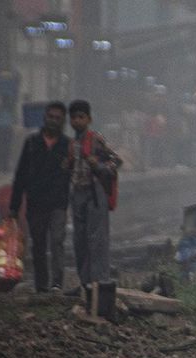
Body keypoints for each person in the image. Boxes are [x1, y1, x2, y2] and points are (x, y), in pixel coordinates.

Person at [9, 101, 71, 293]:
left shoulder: (67, 146)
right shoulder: (32, 143)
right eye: (50, 117)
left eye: (57, 118)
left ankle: (57, 282)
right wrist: (14, 205)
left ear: (63, 121)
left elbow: (74, 175)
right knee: (38, 244)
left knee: (57, 241)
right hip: (36, 202)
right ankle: (42, 284)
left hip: (58, 203)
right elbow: (20, 174)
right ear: (44, 118)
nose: (53, 121)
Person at [65, 100, 122, 292]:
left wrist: (98, 166)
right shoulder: (72, 144)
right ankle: (85, 282)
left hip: (95, 193)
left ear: (89, 119)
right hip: (77, 193)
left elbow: (116, 160)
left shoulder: (95, 139)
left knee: (97, 239)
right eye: (73, 117)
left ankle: (100, 283)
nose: (77, 121)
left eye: (81, 117)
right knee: (80, 240)